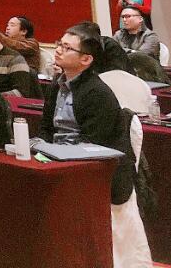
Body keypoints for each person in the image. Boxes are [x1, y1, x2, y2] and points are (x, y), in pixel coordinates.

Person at [40, 25, 135, 205]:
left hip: (94, 169)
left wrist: (56, 157)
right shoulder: (56, 85)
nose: (58, 50)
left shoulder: (97, 93)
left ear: (86, 59)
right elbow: (46, 128)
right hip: (57, 159)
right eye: (59, 44)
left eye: (67, 48)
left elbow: (93, 145)